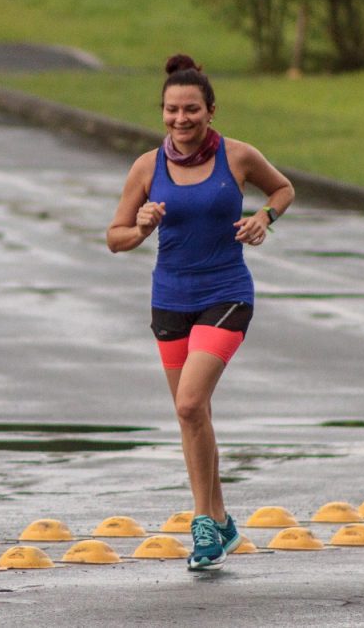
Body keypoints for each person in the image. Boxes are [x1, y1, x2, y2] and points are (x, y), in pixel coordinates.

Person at [107, 54, 294, 571]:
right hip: (170, 300)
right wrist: (142, 227)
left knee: (190, 404)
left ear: (211, 110)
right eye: (171, 110)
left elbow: (283, 188)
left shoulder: (238, 157)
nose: (181, 119)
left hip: (227, 292)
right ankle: (224, 521)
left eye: (191, 109)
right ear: (162, 112)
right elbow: (114, 238)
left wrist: (264, 218)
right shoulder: (148, 167)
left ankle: (203, 523)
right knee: (195, 416)